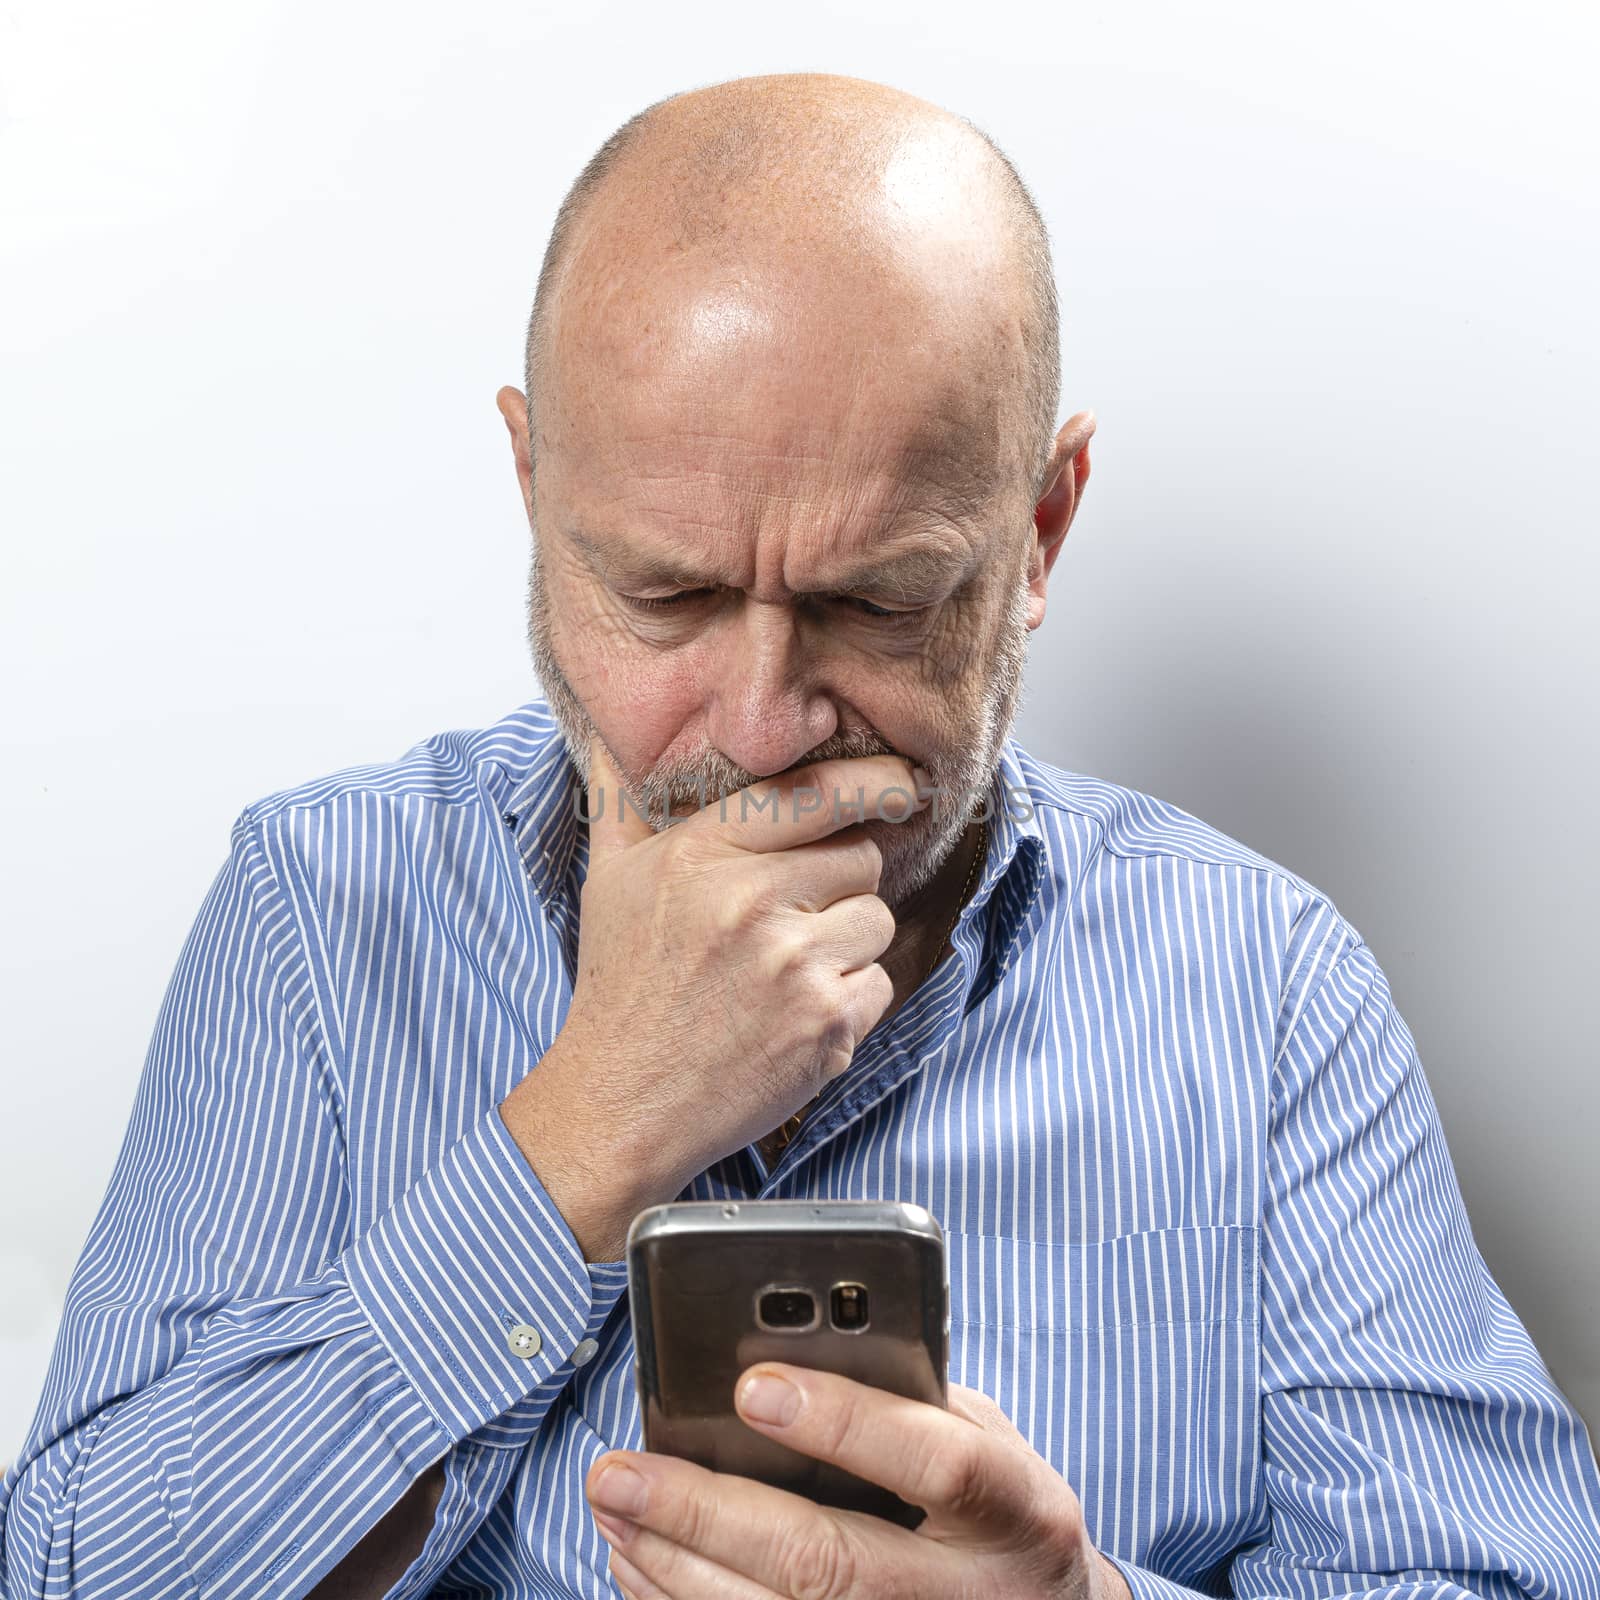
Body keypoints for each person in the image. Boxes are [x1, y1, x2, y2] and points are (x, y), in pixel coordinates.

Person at [3, 68, 1598, 1600]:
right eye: (667, 596)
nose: (763, 728)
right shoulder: (323, 908)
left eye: (878, 602)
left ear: (1041, 530)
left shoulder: (1263, 989)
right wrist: (582, 1137)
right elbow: (70, 1575)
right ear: (531, 482)